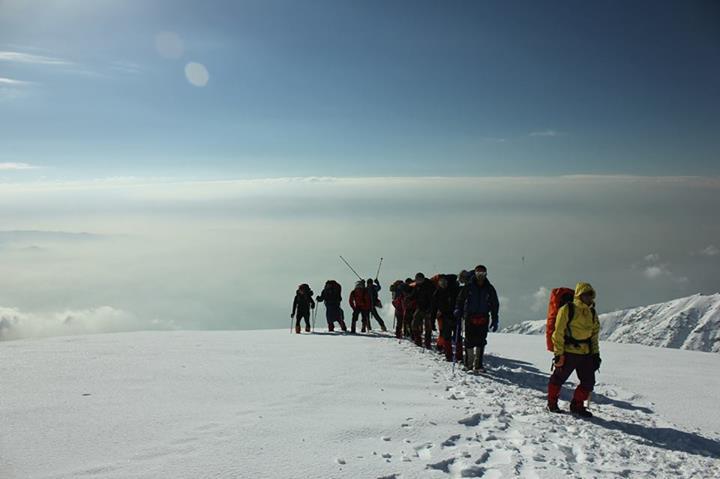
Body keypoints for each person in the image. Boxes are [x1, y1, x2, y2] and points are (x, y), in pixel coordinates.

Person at [547, 282, 601, 417]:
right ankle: (552, 403)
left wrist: (595, 354)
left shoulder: (592, 313)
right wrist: (559, 353)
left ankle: (577, 406)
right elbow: (558, 332)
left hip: (586, 353)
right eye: (586, 294)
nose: (589, 297)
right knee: (558, 379)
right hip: (569, 351)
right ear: (579, 294)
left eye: (591, 295)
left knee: (588, 382)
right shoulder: (567, 309)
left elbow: (594, 336)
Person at [455, 265, 499, 373]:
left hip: (483, 317)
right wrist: (458, 309)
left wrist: (495, 318)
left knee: (481, 341)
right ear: (475, 273)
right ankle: (468, 365)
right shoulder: (468, 287)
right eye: (478, 273)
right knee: (469, 341)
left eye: (483, 274)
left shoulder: (489, 288)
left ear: (486, 274)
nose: (480, 276)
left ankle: (478, 365)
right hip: (470, 316)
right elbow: (460, 299)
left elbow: (494, 304)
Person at [432, 274, 462, 362]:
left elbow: (460, 301)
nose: (443, 284)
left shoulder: (454, 290)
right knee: (447, 336)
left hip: (454, 316)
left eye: (444, 282)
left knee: (456, 337)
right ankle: (450, 355)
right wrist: (433, 320)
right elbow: (434, 307)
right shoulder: (437, 293)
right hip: (446, 316)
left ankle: (457, 356)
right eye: (441, 282)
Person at [410, 272, 437, 348]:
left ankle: (427, 343)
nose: (417, 281)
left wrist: (430, 309)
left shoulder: (429, 285)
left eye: (418, 279)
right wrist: (408, 297)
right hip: (420, 307)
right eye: (416, 280)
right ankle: (418, 341)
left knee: (428, 327)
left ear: (422, 279)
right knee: (414, 323)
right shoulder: (417, 286)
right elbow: (414, 295)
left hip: (428, 308)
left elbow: (433, 299)